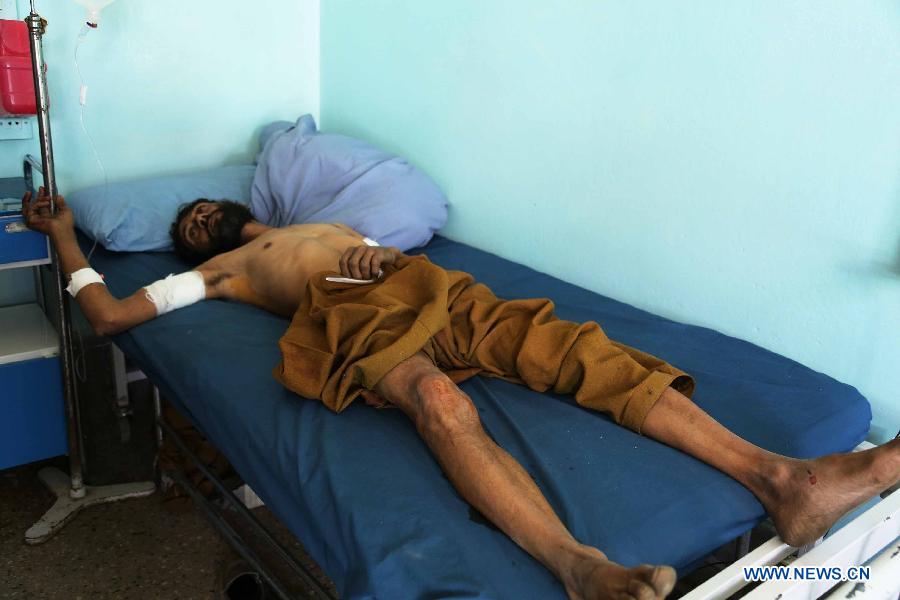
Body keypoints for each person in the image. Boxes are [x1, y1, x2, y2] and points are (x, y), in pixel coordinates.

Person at [24, 190, 900, 600]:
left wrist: (377, 252)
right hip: (350, 316)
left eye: (200, 211)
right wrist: (66, 236)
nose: (195, 223)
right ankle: (578, 566)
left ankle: (786, 481)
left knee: (587, 352)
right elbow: (106, 315)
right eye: (184, 230)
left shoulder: (323, 222)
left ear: (236, 200)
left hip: (429, 283)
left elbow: (395, 240)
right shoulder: (216, 274)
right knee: (440, 403)